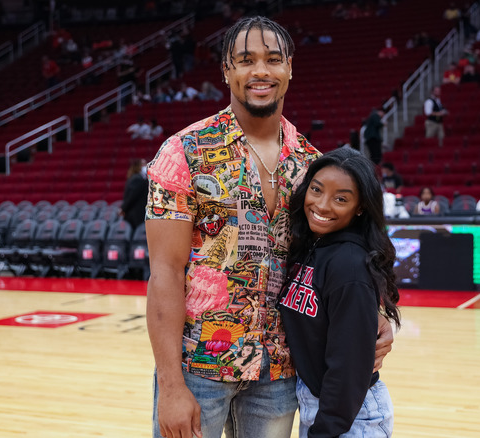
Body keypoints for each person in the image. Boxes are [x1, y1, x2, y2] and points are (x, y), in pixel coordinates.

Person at [146, 16, 394, 438]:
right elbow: (165, 273)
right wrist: (170, 385)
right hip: (199, 367)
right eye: (245, 60)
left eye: (273, 59)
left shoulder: (311, 163)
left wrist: (376, 308)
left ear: (290, 67)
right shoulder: (184, 152)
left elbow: (342, 253)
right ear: (226, 70)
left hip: (279, 372)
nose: (260, 71)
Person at [279, 147, 400, 437]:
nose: (322, 205)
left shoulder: (349, 265)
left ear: (360, 207)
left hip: (350, 416)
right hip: (321, 405)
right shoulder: (313, 247)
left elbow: (348, 366)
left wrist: (326, 429)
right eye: (316, 190)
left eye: (341, 199)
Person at [120, 158, 148, 229]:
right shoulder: (137, 179)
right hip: (135, 214)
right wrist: (123, 209)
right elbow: (131, 197)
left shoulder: (140, 178)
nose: (146, 166)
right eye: (143, 164)